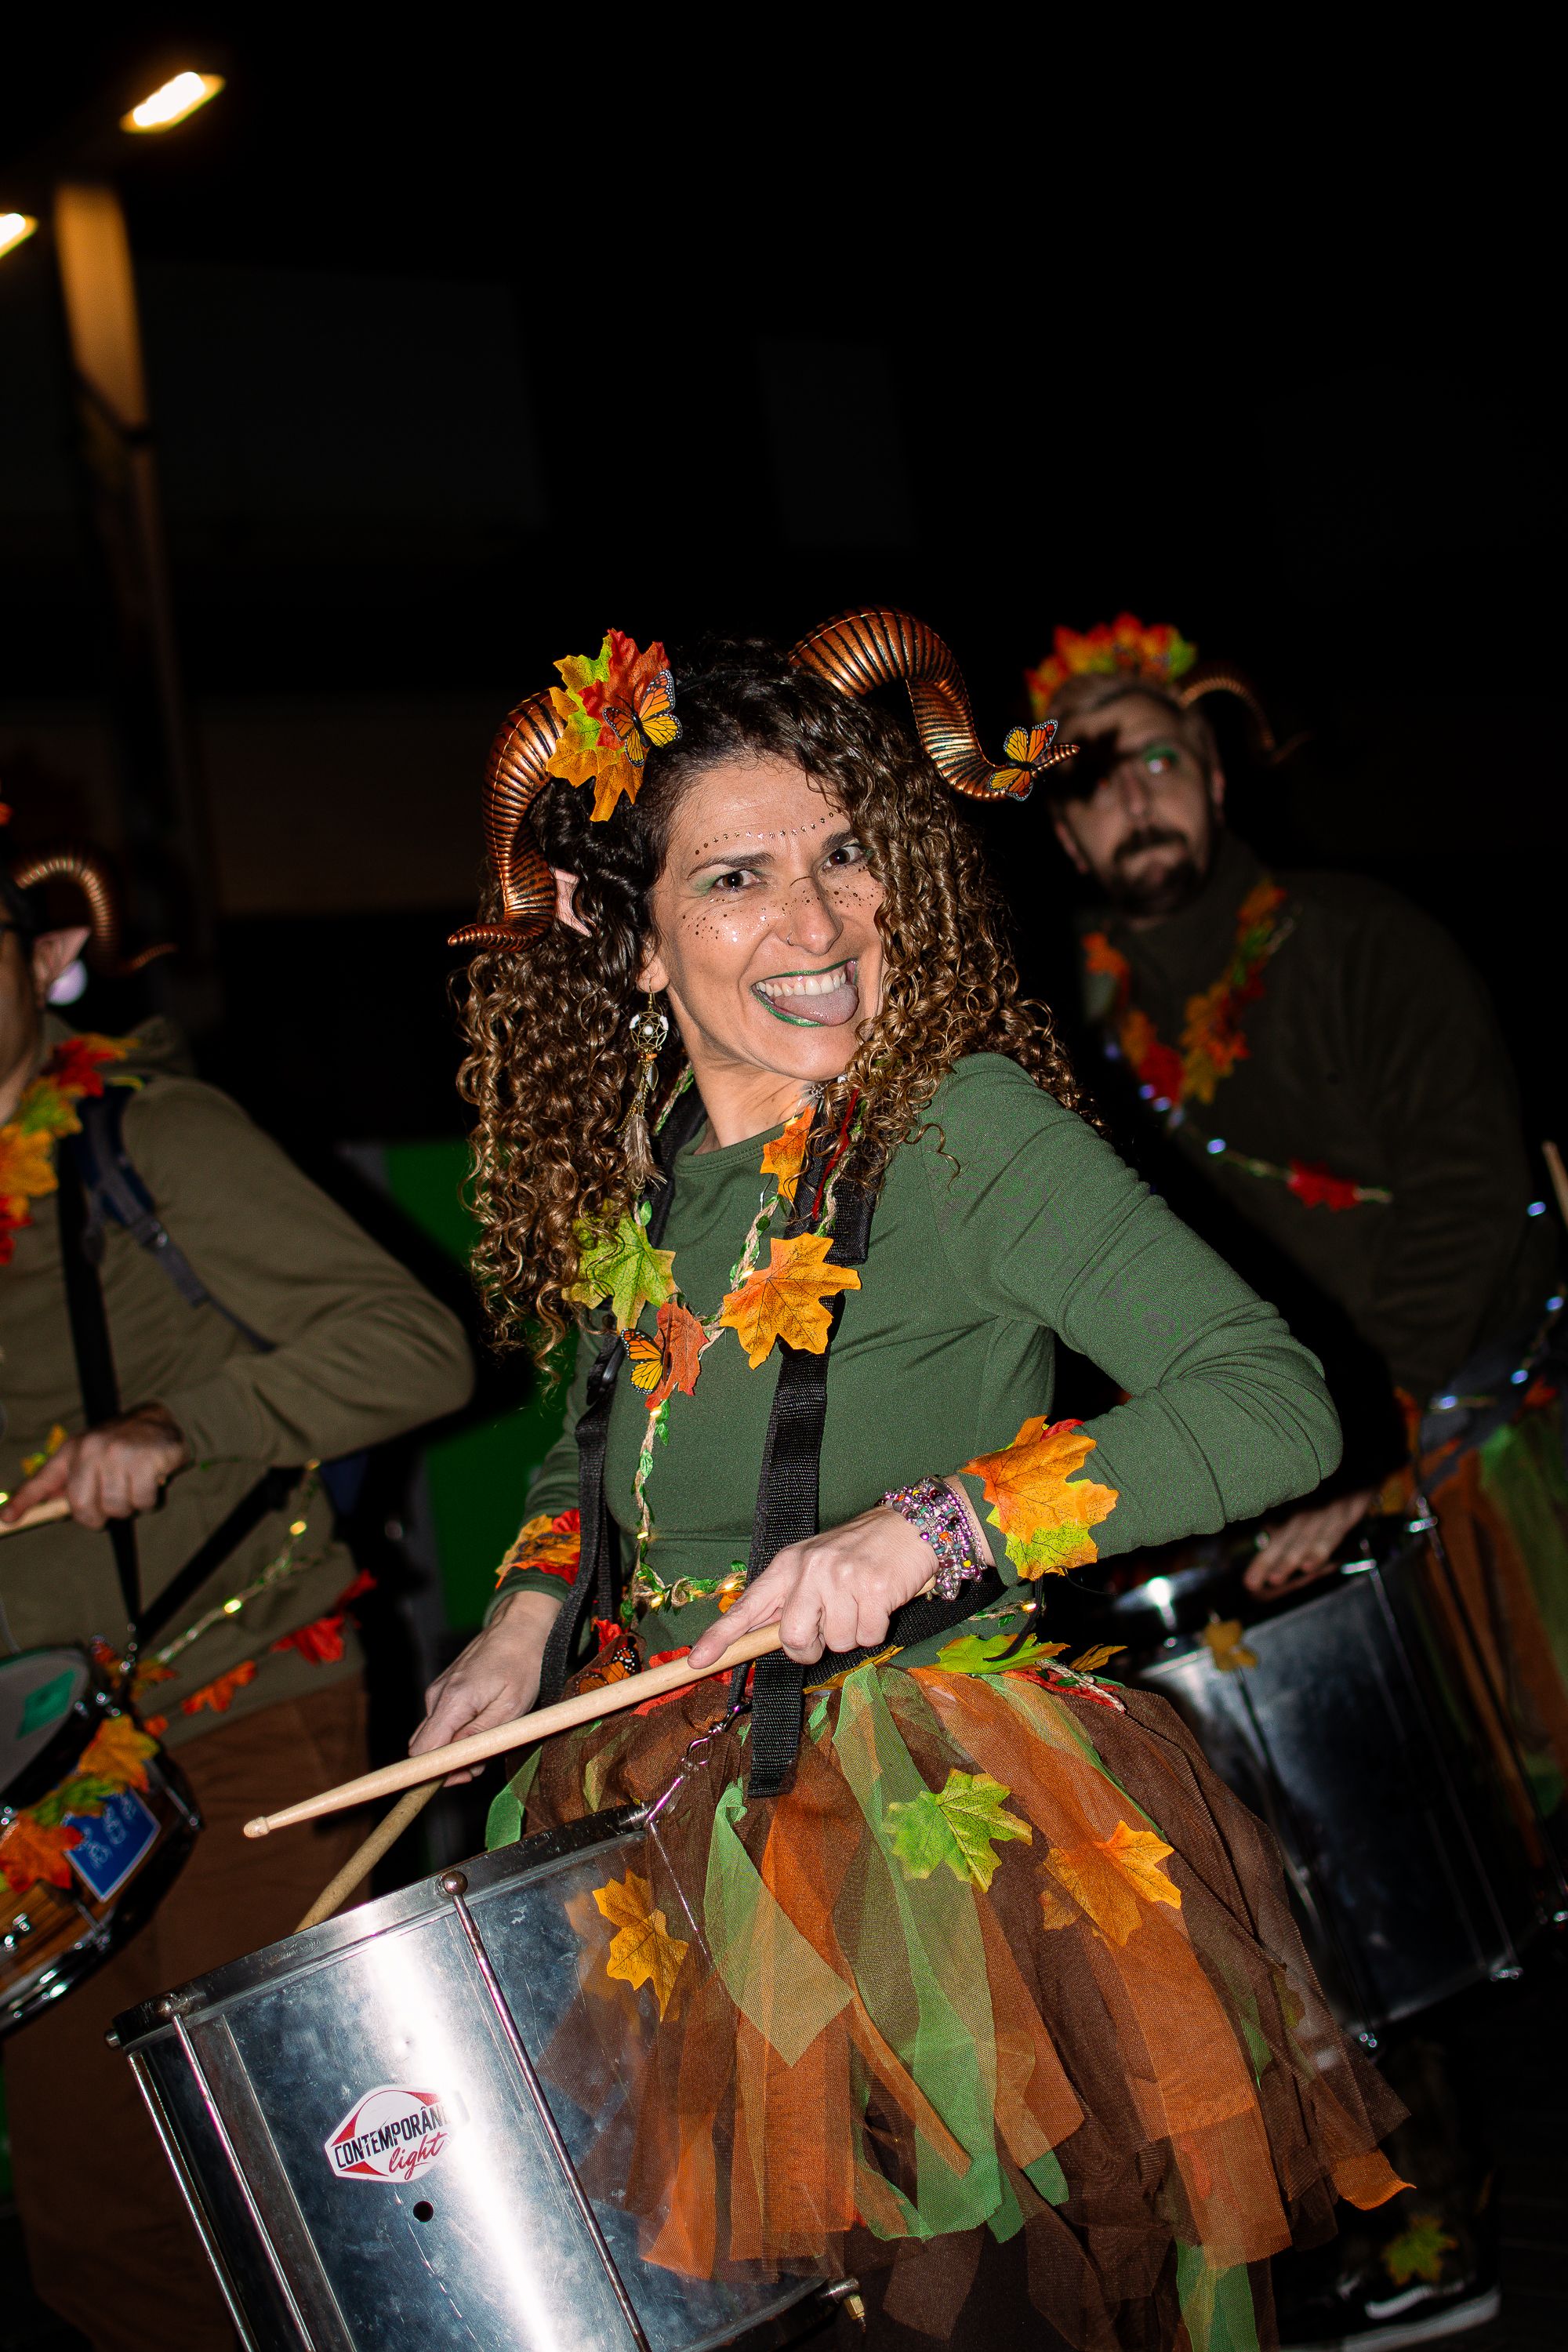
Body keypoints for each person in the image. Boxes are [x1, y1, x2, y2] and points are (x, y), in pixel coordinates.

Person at [413, 612, 1404, 2350]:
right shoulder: (649, 1173)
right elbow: (595, 1450)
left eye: (847, 855)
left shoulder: (958, 1124)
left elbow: (1271, 1405)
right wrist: (520, 1615)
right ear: (630, 944)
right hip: (663, 1805)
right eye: (735, 879)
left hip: (928, 1841)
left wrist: (932, 1526)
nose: (815, 924)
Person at [1028, 613, 1564, 2344]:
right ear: (1058, 832)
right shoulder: (1061, 1033)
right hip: (1270, 1501)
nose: (1135, 802)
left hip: (1465, 1448)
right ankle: (1412, 2215)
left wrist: (1366, 1440)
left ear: (1219, 767)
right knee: (1303, 1872)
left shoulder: (1360, 944)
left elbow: (1480, 1205)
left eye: (1158, 756)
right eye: (1091, 782)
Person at [0, 844, 474, 2352]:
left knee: (338, 2177)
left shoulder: (147, 1140)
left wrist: (180, 1426)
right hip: (32, 1814)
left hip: (244, 1719)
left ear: (39, 958)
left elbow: (421, 1350)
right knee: (99, 2231)